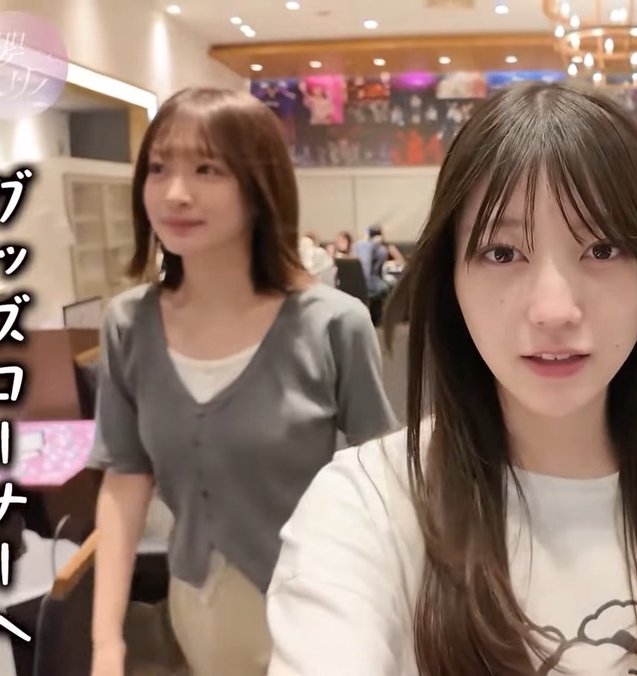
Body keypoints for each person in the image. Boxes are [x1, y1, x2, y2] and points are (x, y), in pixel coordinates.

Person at [265, 82, 637, 675]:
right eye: (501, 253)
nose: (554, 310)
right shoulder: (365, 508)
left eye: (602, 249)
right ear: (451, 282)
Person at [88, 87, 398, 676]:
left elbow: (384, 484)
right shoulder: (129, 325)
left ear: (260, 186)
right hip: (197, 603)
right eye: (159, 168)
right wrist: (106, 642)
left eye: (207, 169)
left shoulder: (333, 323)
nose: (176, 193)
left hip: (321, 601)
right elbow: (125, 479)